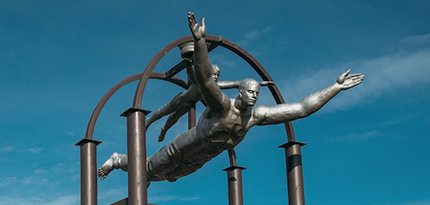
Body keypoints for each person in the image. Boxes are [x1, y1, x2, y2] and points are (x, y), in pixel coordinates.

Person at [98, 12, 364, 184]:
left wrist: (335, 87)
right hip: (181, 148)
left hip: (200, 158)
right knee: (148, 169)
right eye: (251, 91)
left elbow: (302, 108)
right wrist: (199, 43)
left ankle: (132, 171)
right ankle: (118, 160)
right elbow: (204, 80)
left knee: (165, 178)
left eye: (257, 93)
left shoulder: (256, 117)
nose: (254, 96)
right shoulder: (222, 106)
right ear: (240, 92)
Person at [145, 59, 272, 143]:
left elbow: (237, 83)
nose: (215, 77)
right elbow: (192, 73)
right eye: (213, 74)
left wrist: (260, 83)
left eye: (217, 75)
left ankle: (164, 129)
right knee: (163, 111)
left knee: (174, 117)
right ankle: (149, 121)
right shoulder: (200, 81)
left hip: (190, 103)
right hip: (182, 99)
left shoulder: (216, 86)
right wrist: (188, 66)